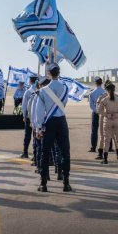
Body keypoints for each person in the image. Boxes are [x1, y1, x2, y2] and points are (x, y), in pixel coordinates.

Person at [34, 63, 72, 193]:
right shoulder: (65, 88)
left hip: (49, 123)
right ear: (59, 73)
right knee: (65, 152)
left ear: (49, 74)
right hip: (61, 121)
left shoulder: (43, 90)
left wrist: (38, 127)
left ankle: (43, 183)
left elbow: (39, 110)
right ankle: (66, 183)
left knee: (45, 153)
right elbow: (64, 104)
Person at [97, 81, 118, 164]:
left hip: (108, 120)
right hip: (117, 120)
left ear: (106, 90)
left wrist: (106, 115)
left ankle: (105, 159)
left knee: (106, 140)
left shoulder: (104, 100)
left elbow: (99, 110)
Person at [21, 76, 39, 160]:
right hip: (37, 116)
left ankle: (25, 152)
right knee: (36, 135)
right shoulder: (40, 90)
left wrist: (24, 115)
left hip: (29, 116)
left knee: (27, 134)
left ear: (30, 81)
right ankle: (36, 154)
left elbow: (24, 105)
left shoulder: (28, 92)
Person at [87, 77, 106, 154]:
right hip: (104, 112)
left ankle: (93, 147)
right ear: (101, 83)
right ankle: (109, 147)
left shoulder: (92, 93)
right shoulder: (105, 92)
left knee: (94, 130)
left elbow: (91, 105)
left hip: (95, 113)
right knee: (107, 130)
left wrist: (97, 111)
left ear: (95, 83)